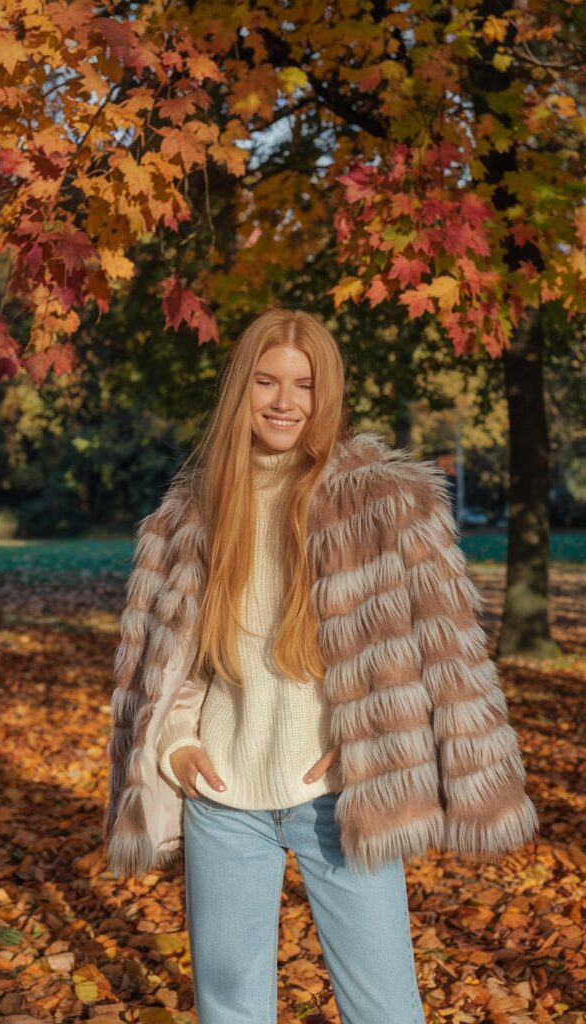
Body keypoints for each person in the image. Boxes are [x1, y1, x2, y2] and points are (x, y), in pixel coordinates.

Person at [104, 307, 538, 1024]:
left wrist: (375, 737)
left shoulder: (386, 502)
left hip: (340, 799)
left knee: (385, 1010)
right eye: (266, 382)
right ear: (240, 389)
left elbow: (445, 654)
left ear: (325, 392)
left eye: (302, 384)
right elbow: (180, 661)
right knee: (230, 1010)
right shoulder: (196, 511)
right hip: (222, 800)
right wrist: (179, 744)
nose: (283, 402)